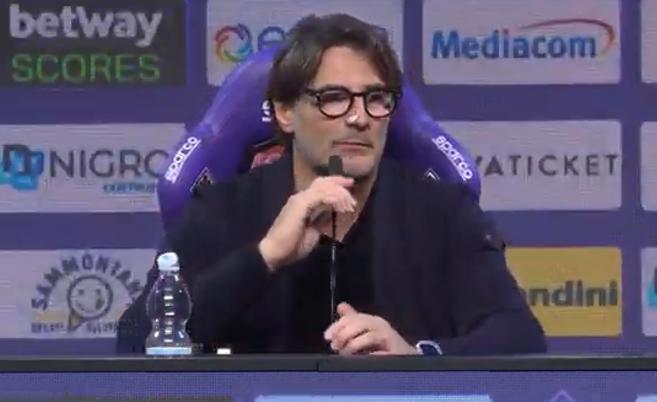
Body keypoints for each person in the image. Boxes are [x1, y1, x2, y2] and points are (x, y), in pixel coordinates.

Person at [117, 13, 546, 355]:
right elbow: (136, 343)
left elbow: (519, 338)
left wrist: (418, 359)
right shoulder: (223, 208)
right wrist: (264, 256)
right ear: (285, 112)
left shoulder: (442, 211)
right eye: (334, 98)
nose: (359, 118)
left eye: (376, 99)